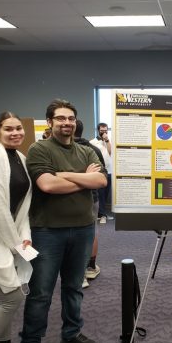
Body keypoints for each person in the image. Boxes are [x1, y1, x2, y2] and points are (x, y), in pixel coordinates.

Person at [19, 99, 107, 343]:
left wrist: (67, 175)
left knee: (73, 287)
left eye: (70, 118)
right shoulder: (39, 148)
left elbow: (101, 181)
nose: (66, 123)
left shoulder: (85, 151)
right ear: (50, 122)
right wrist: (82, 178)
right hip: (47, 232)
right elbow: (46, 184)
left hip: (82, 229)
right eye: (60, 118)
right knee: (41, 292)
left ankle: (71, 333)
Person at [0, 112, 32, 343]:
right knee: (12, 297)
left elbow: (23, 206)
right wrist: (15, 243)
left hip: (10, 237)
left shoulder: (20, 158)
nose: (15, 132)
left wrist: (23, 237)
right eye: (8, 129)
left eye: (18, 128)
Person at [74, 119, 106, 288]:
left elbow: (101, 177)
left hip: (66, 198)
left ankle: (80, 275)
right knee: (91, 232)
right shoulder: (92, 149)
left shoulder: (64, 151)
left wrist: (66, 176)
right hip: (91, 197)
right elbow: (102, 175)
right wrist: (87, 178)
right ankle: (90, 268)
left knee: (72, 234)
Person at [90, 122, 112, 224]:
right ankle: (102, 215)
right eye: (102, 130)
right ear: (98, 130)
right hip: (99, 171)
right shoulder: (93, 142)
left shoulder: (109, 141)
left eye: (105, 130)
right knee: (101, 193)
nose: (104, 132)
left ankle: (101, 213)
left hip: (110, 170)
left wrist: (107, 140)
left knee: (106, 193)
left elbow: (110, 152)